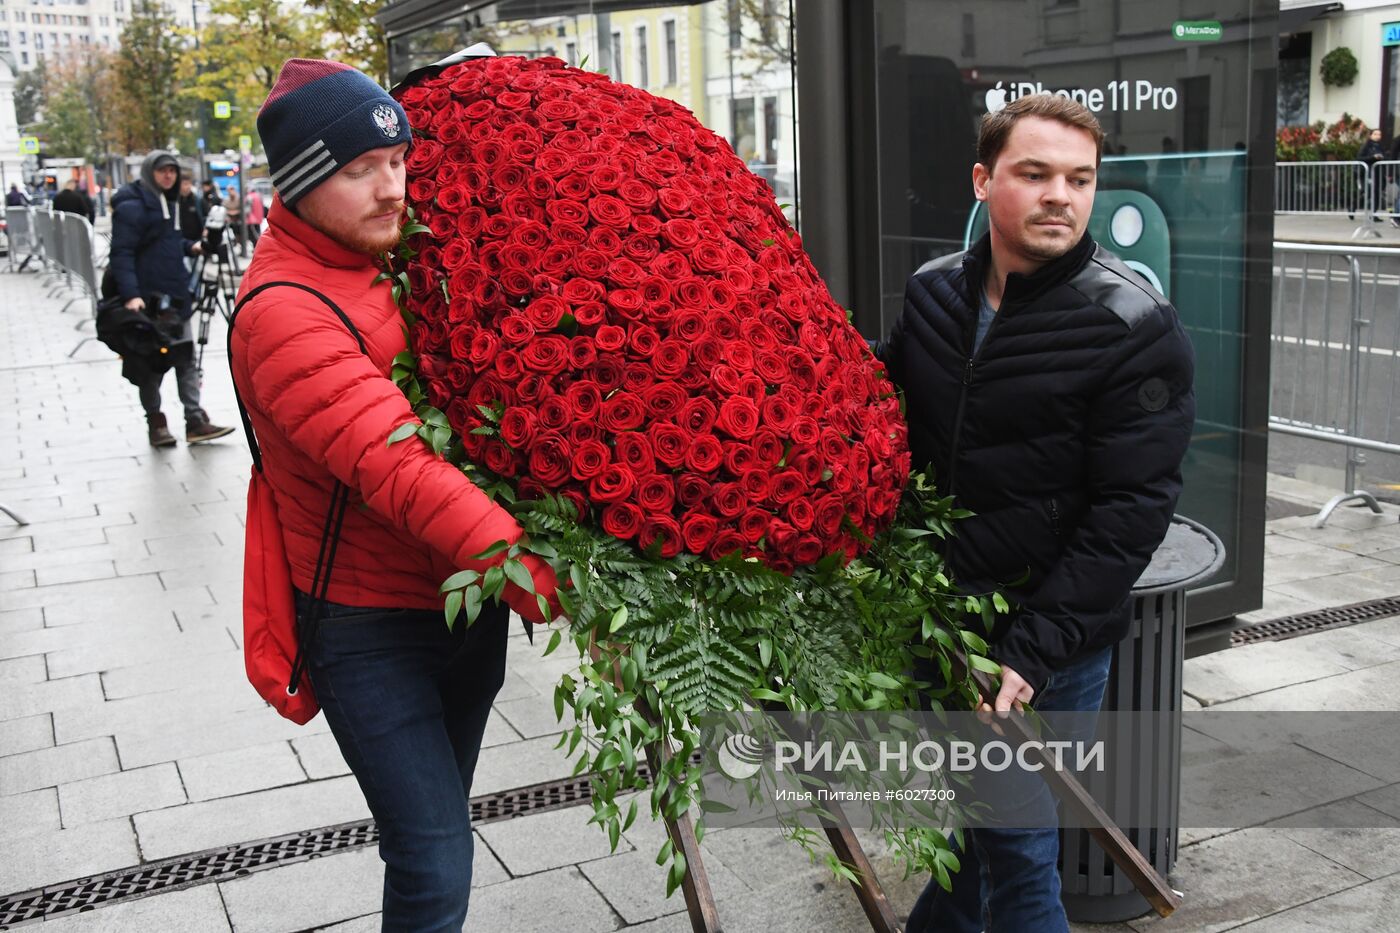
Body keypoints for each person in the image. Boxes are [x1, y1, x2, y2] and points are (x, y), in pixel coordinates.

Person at [232, 58, 560, 932]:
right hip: (367, 627)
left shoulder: (392, 257)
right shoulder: (282, 312)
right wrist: (527, 568)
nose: (391, 190)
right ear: (301, 186)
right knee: (434, 851)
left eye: (398, 163)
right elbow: (398, 468)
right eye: (358, 170)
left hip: (461, 609)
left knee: (435, 824)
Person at [876, 93, 1195, 933]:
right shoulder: (935, 293)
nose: (1062, 194)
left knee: (1018, 855)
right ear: (983, 181)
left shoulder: (1132, 323)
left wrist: (1033, 648)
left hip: (1043, 644)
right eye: (1036, 173)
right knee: (980, 837)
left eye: (1081, 178)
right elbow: (875, 415)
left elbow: (1133, 508)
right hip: (944, 624)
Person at [109, 151, 235, 447]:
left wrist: (192, 247)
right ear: (150, 172)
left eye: (172, 171)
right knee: (150, 365)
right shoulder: (132, 207)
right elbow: (122, 254)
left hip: (176, 296)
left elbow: (168, 243)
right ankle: (156, 423)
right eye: (162, 171)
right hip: (147, 299)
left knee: (186, 358)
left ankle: (194, 419)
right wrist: (131, 296)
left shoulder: (171, 203)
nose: (168, 176)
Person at [1357, 128, 1386, 221]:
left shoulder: (1380, 146)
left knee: (1377, 193)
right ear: (1370, 135)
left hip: (1378, 173)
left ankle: (1373, 214)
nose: (1378, 136)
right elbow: (1360, 158)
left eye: (1379, 134)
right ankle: (1353, 206)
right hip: (1368, 172)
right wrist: (1372, 157)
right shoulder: (1367, 146)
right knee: (1369, 193)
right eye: (1375, 134)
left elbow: (1385, 156)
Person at [224, 186, 245, 256]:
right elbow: (225, 210)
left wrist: (234, 212)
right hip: (230, 222)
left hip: (240, 221)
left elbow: (242, 209)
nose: (231, 192)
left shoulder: (239, 199)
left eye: (232, 190)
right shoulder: (226, 200)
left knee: (240, 235)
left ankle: (241, 247)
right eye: (229, 191)